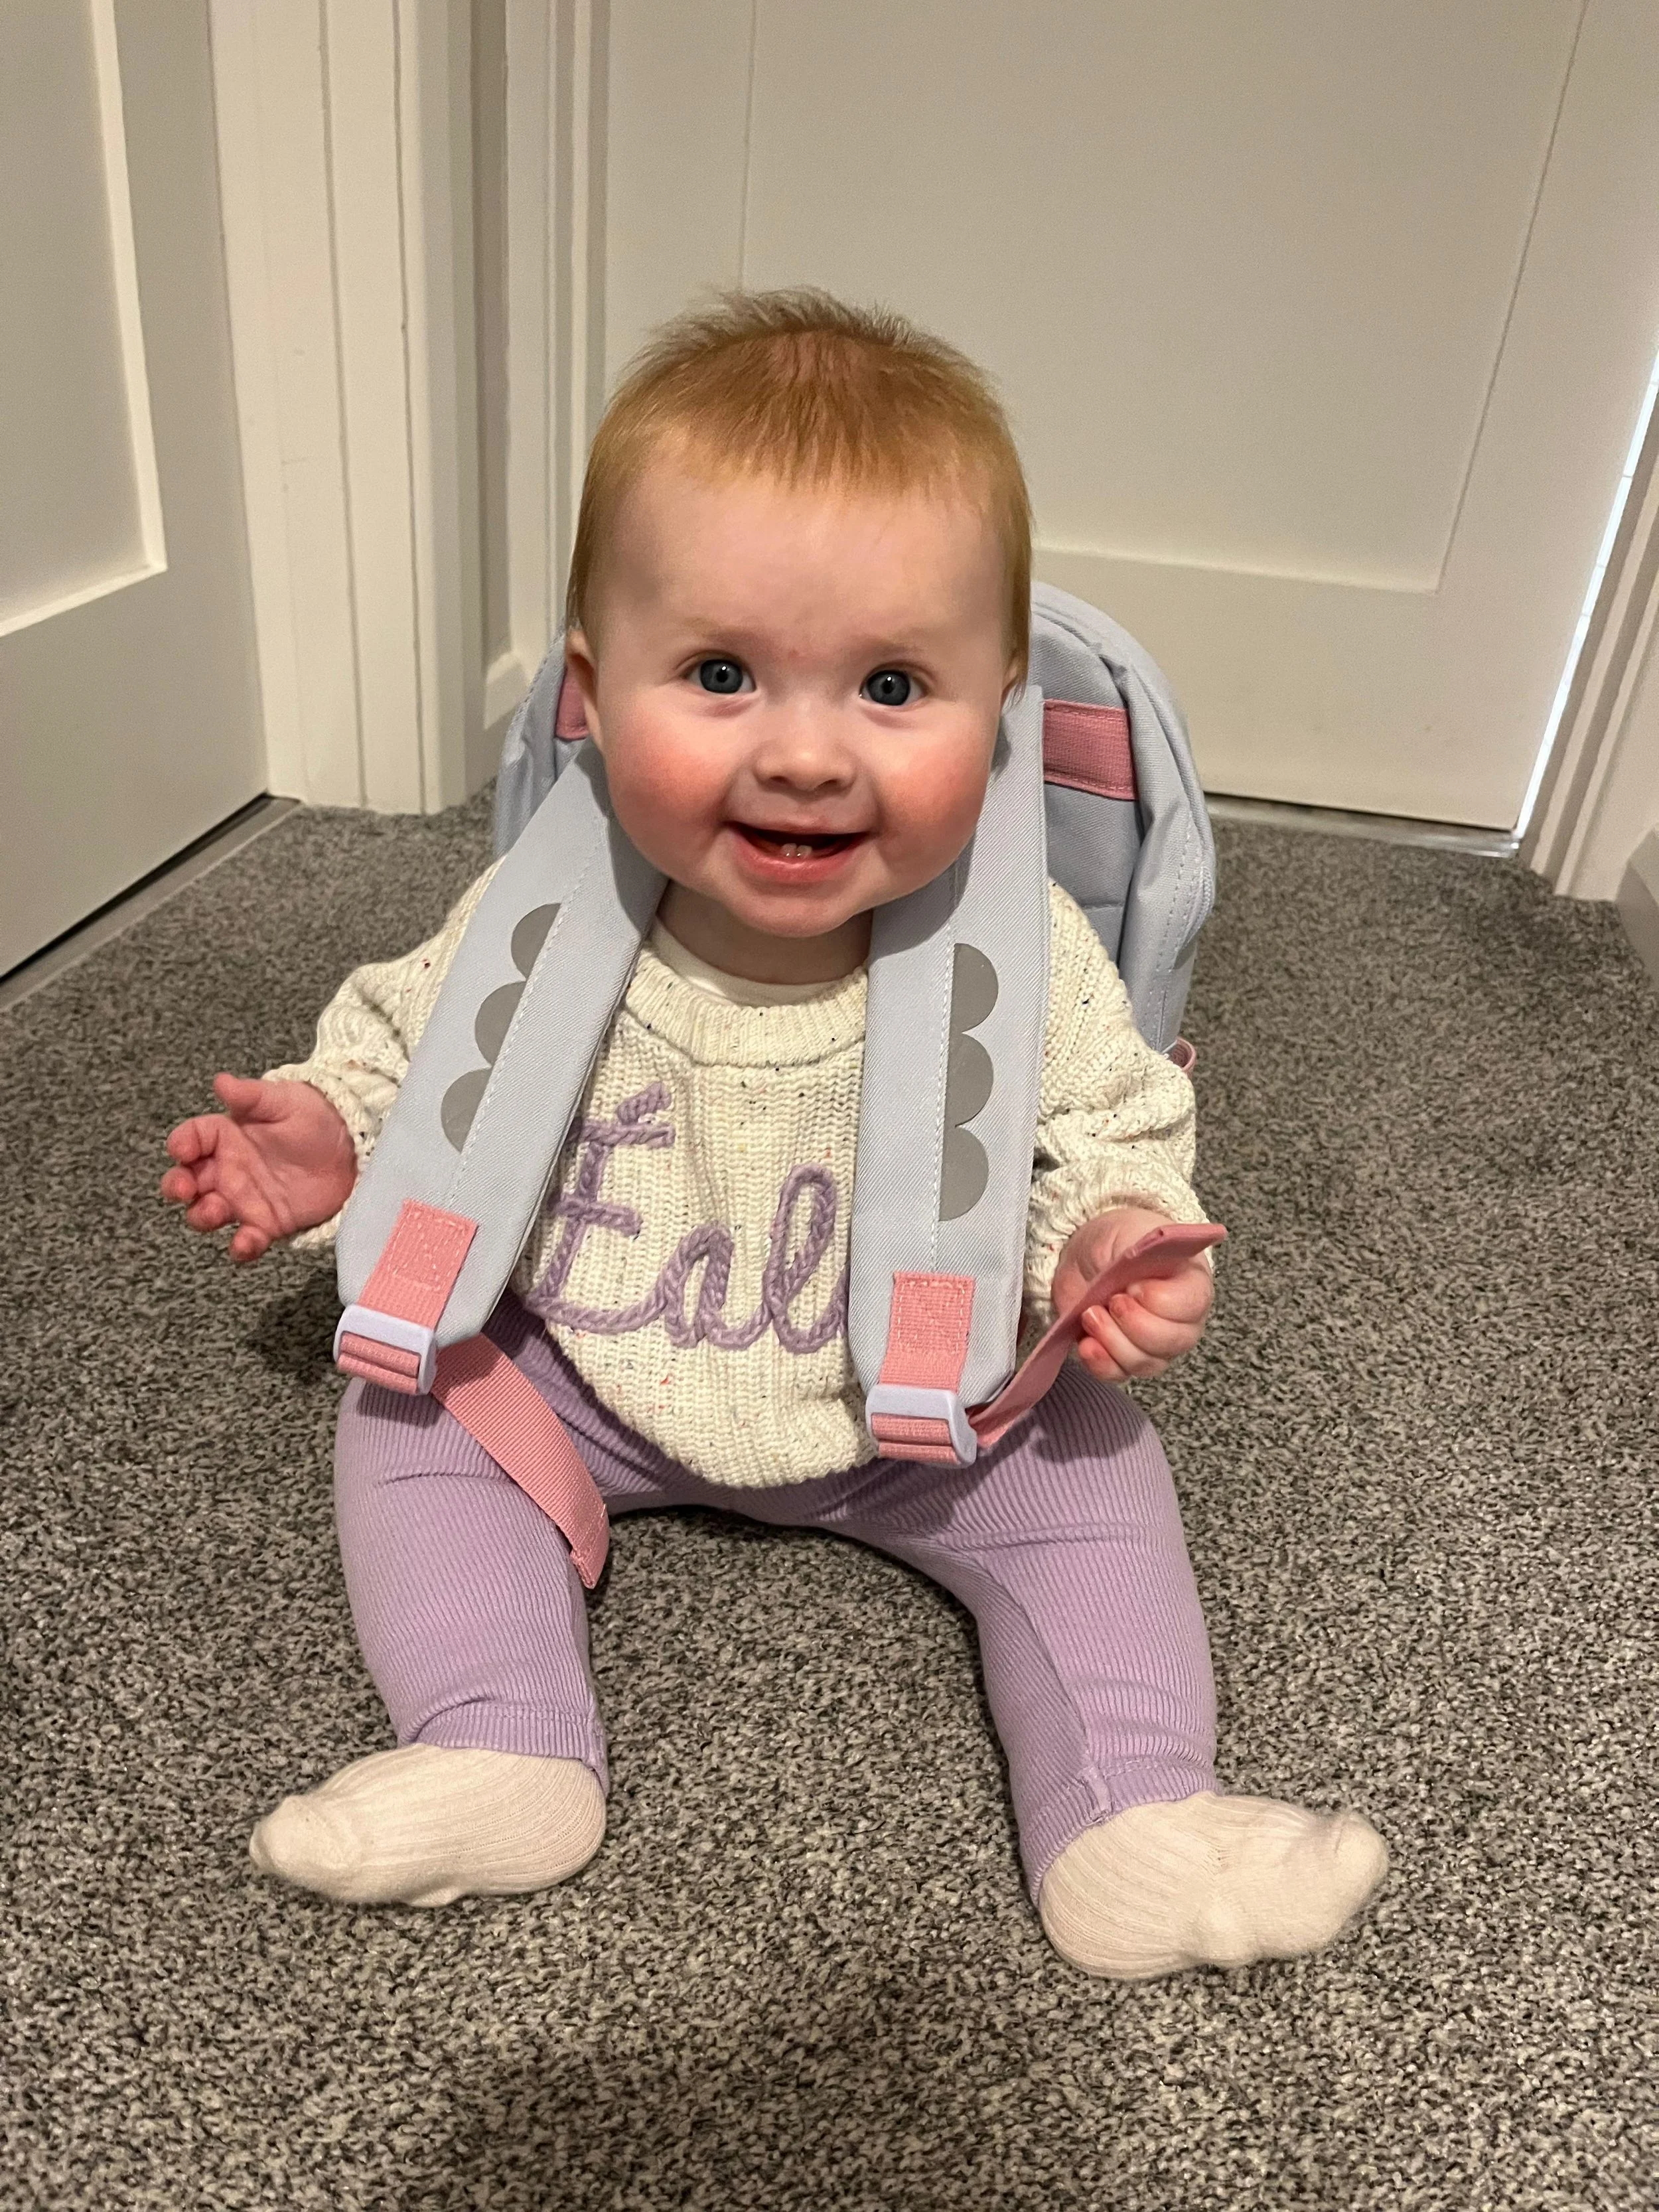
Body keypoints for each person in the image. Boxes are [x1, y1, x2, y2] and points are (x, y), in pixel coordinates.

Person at [160, 291, 1386, 1978]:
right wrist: (327, 1142)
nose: (804, 753)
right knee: (407, 1408)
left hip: (929, 1397)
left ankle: (1132, 1813)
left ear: (1000, 708)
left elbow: (1112, 1124)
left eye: (892, 685)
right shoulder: (544, 908)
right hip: (581, 1373)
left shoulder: (1017, 949)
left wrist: (1103, 1246)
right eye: (722, 674)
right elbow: (403, 1046)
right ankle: (498, 1736)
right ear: (590, 694)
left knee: (1100, 1485)